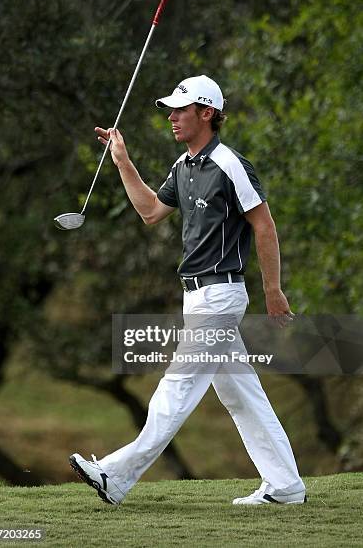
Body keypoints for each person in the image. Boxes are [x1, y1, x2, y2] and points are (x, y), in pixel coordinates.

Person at [69, 75, 306, 506]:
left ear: (207, 113)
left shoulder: (231, 164)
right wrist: (123, 161)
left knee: (176, 388)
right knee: (242, 395)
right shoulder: (183, 166)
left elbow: (264, 225)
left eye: (181, 110)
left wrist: (274, 289)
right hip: (195, 296)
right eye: (171, 110)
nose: (172, 117)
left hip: (220, 296)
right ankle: (287, 485)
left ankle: (115, 475)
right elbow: (151, 212)